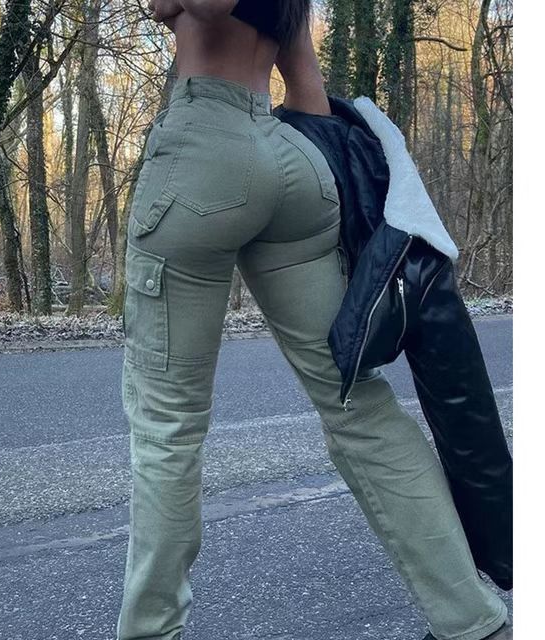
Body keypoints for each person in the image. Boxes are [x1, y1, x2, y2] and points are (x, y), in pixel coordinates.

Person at [116, 2, 510, 639]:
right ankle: (473, 621)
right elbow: (305, 82)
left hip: (202, 152)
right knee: (358, 406)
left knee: (169, 425)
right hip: (291, 161)